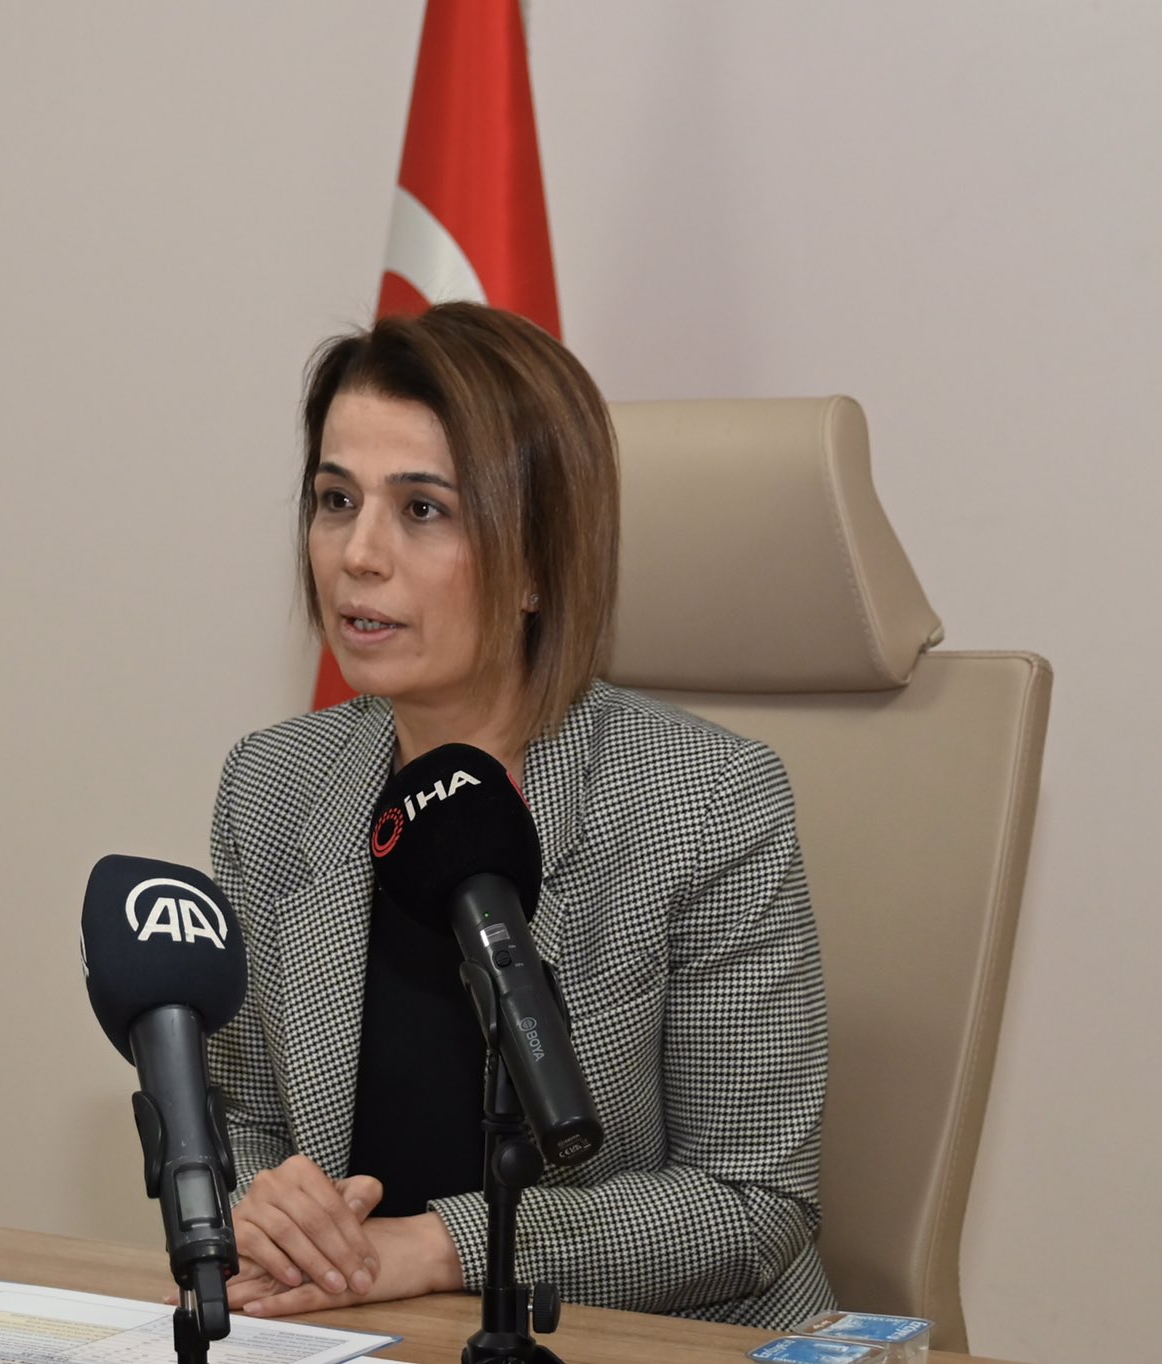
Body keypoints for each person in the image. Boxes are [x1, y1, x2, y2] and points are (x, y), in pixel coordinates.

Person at [203, 302, 836, 1329]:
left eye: (422, 509)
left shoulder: (710, 802)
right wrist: (267, 1206)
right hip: (361, 1333)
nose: (357, 553)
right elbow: (244, 1119)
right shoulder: (272, 787)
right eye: (334, 499)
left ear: (538, 563)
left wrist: (439, 1244)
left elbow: (750, 1202)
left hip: (644, 1344)